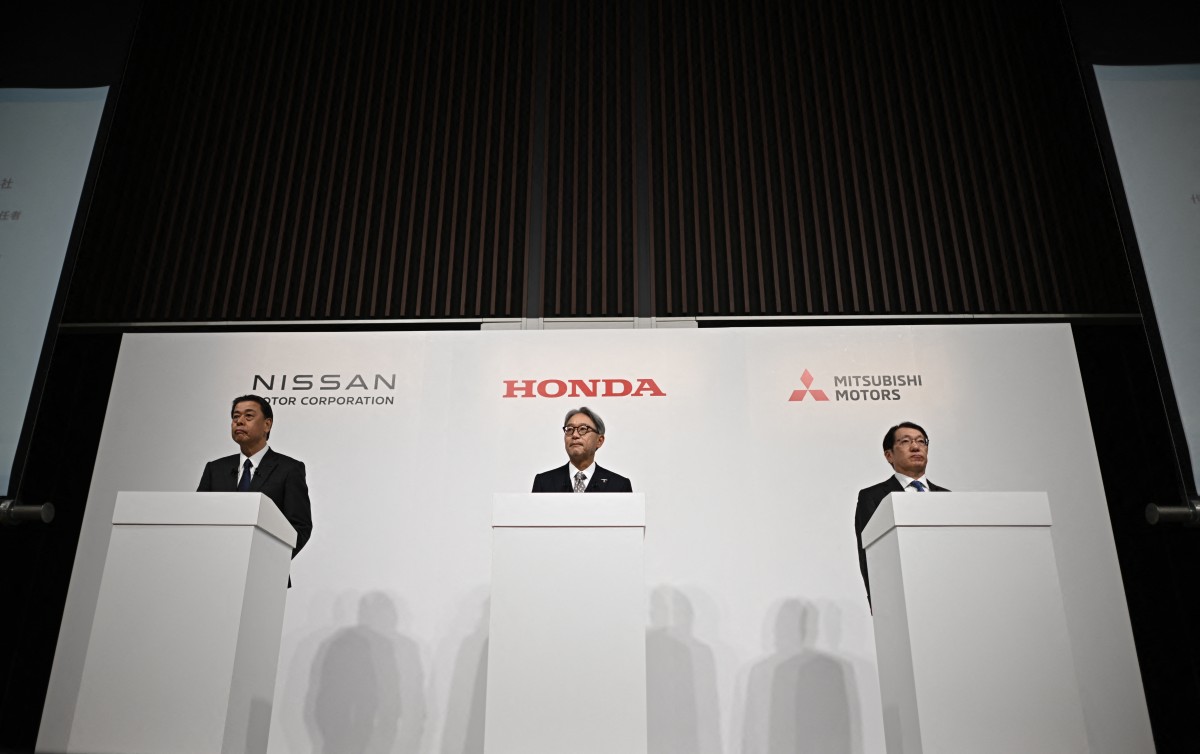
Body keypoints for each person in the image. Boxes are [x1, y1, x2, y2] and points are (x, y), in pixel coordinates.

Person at [197, 395, 313, 564]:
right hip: (214, 567)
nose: (239, 421)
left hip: (265, 571)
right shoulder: (215, 469)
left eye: (248, 416)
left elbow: (300, 527)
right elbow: (199, 518)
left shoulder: (289, 469)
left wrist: (271, 560)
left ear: (267, 424)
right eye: (235, 416)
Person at [854, 421, 948, 607]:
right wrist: (879, 602)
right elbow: (869, 556)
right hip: (900, 598)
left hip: (945, 592)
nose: (915, 447)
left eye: (921, 441)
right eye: (905, 441)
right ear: (889, 455)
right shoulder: (872, 497)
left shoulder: (947, 497)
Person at [532, 407, 633, 493]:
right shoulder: (544, 482)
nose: (575, 435)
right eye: (570, 429)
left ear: (599, 440)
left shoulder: (619, 485)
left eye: (583, 429)